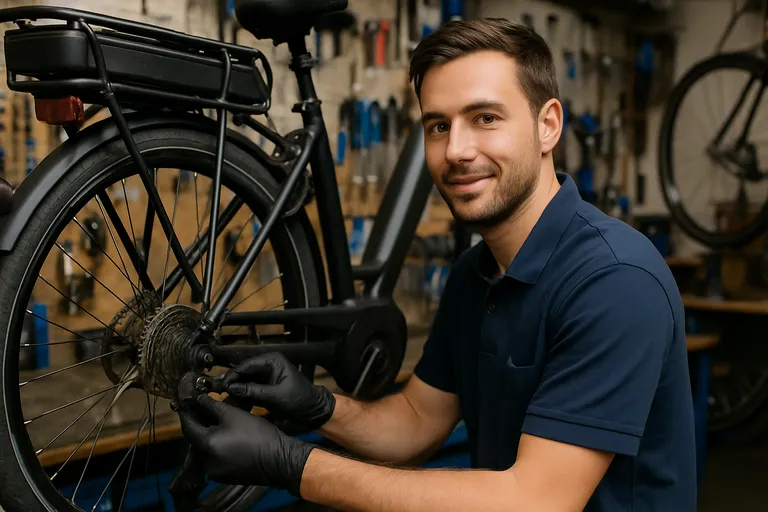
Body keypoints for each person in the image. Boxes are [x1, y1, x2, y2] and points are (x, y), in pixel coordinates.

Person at [179, 17, 697, 511]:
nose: (456, 150)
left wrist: (292, 465)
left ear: (548, 126)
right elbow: (415, 422)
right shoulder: (476, 274)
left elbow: (536, 501)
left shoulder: (615, 281)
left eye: (485, 119)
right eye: (437, 126)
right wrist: (317, 406)